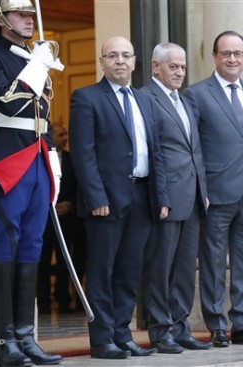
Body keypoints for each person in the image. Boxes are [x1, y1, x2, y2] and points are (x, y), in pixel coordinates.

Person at [69, 36, 170, 359]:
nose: (120, 61)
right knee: (102, 272)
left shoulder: (144, 100)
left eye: (126, 55)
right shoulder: (86, 98)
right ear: (102, 62)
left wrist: (161, 196)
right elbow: (83, 155)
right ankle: (101, 340)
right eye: (112, 55)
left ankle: (122, 334)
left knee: (128, 271)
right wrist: (95, 196)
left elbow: (155, 153)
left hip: (142, 196)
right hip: (105, 202)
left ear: (135, 60)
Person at [0, 0, 64, 365]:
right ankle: (5, 343)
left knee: (32, 246)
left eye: (31, 15)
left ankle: (25, 336)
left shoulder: (32, 59)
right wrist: (37, 64)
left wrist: (52, 158)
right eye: (21, 14)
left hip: (36, 162)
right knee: (6, 247)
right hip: (5, 162)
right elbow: (6, 102)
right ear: (2, 18)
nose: (29, 20)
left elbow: (42, 117)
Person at [184, 30, 243, 347]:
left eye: (238, 53)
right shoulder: (197, 94)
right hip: (215, 194)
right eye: (226, 53)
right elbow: (194, 148)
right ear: (215, 57)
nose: (232, 58)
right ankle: (217, 325)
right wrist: (201, 188)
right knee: (214, 263)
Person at [140, 43, 211, 353]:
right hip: (166, 197)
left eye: (183, 67)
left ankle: (180, 326)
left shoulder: (185, 100)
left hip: (193, 195)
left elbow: (196, 151)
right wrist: (161, 196)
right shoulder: (145, 98)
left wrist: (204, 192)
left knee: (184, 268)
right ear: (156, 67)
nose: (180, 72)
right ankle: (160, 329)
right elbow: (153, 152)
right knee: (161, 266)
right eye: (173, 67)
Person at [37, 123, 77, 314]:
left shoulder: (71, 159)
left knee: (64, 262)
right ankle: (43, 301)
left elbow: (79, 187)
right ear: (50, 136)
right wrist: (48, 205)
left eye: (66, 134)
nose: (65, 137)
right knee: (42, 262)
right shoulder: (39, 157)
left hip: (67, 221)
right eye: (61, 134)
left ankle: (63, 299)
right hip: (44, 220)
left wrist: (70, 204)